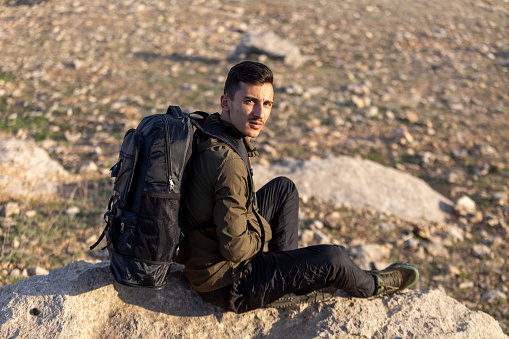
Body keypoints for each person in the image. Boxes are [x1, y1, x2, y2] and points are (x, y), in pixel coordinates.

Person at [179, 61, 419, 313]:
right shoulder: (227, 162)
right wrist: (261, 231)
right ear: (225, 102)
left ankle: (288, 281)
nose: (260, 114)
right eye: (250, 101)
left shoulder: (212, 128)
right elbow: (236, 248)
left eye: (267, 104)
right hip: (229, 283)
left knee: (284, 189)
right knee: (334, 259)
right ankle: (373, 285)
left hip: (207, 251)